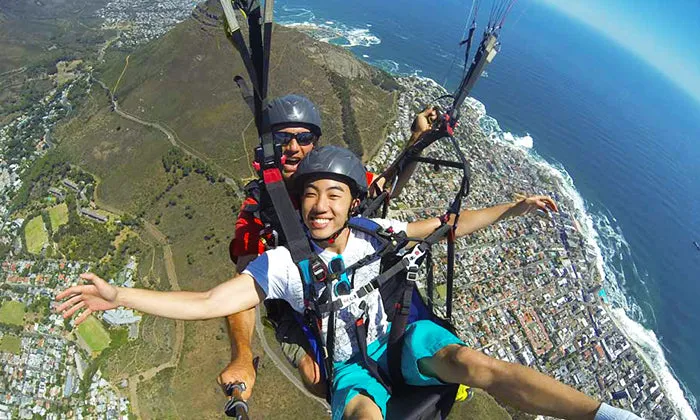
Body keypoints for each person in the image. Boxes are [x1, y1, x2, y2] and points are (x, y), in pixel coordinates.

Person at [56, 146, 640, 420]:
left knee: (478, 365)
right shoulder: (284, 265)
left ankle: (607, 417)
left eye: (333, 193)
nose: (319, 204)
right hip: (351, 368)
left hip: (400, 343)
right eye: (309, 193)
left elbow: (441, 228)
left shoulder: (375, 232)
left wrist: (508, 209)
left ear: (353, 202)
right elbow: (210, 301)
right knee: (363, 415)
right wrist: (119, 296)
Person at [222, 94, 560, 400]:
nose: (294, 147)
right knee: (316, 378)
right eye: (283, 138)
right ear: (268, 144)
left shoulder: (334, 176)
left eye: (303, 138)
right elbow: (243, 291)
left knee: (405, 319)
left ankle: (416, 369)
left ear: (316, 143)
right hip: (297, 302)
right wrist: (241, 355)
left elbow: (385, 189)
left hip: (346, 280)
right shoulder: (258, 211)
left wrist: (418, 139)